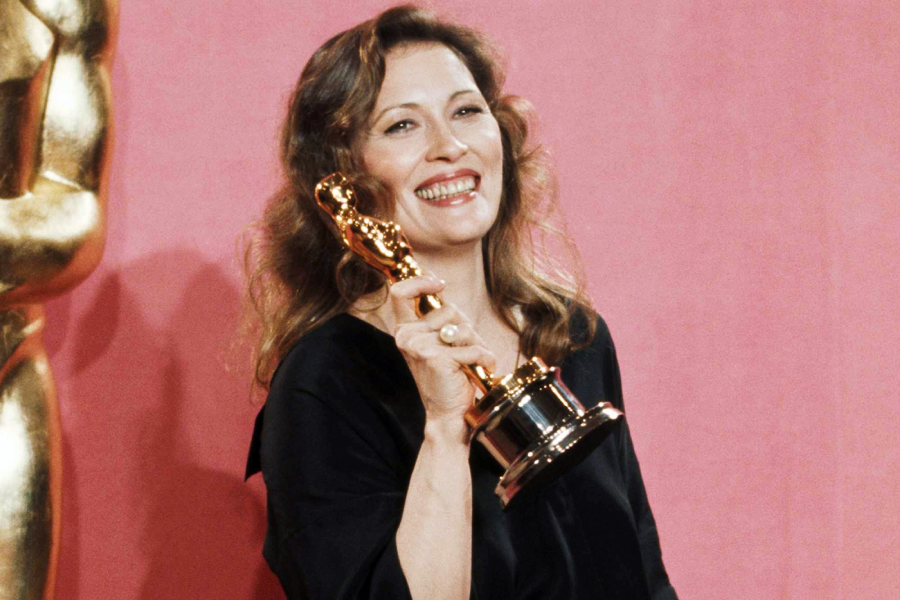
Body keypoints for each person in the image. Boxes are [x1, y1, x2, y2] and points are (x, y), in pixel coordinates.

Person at [244, 5, 676, 599]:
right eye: (402, 126)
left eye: (467, 112)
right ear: (344, 178)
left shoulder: (572, 337)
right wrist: (445, 430)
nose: (450, 146)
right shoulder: (325, 380)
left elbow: (644, 572)